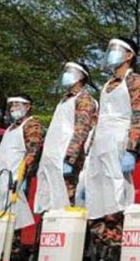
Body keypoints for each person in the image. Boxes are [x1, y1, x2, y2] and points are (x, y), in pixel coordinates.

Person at [82, 38, 140, 261]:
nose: (111, 54)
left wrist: (132, 149)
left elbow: (139, 116)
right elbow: (99, 119)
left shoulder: (136, 82)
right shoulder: (107, 85)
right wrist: (89, 148)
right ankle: (101, 252)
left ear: (129, 55)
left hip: (119, 143)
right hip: (99, 146)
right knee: (96, 201)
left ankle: (116, 255)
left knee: (116, 200)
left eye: (116, 50)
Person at [35, 62, 98, 213]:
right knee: (48, 203)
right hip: (51, 159)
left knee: (65, 204)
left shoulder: (84, 100)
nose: (66, 75)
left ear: (81, 77)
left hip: (66, 159)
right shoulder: (63, 101)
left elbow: (81, 131)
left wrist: (70, 159)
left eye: (70, 72)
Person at [0, 95, 44, 231]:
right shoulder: (10, 128)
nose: (13, 108)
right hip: (0, 177)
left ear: (28, 106)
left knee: (14, 212)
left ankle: (14, 239)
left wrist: (24, 169)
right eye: (12, 105)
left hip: (15, 176)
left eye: (17, 105)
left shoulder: (32, 124)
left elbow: (33, 150)